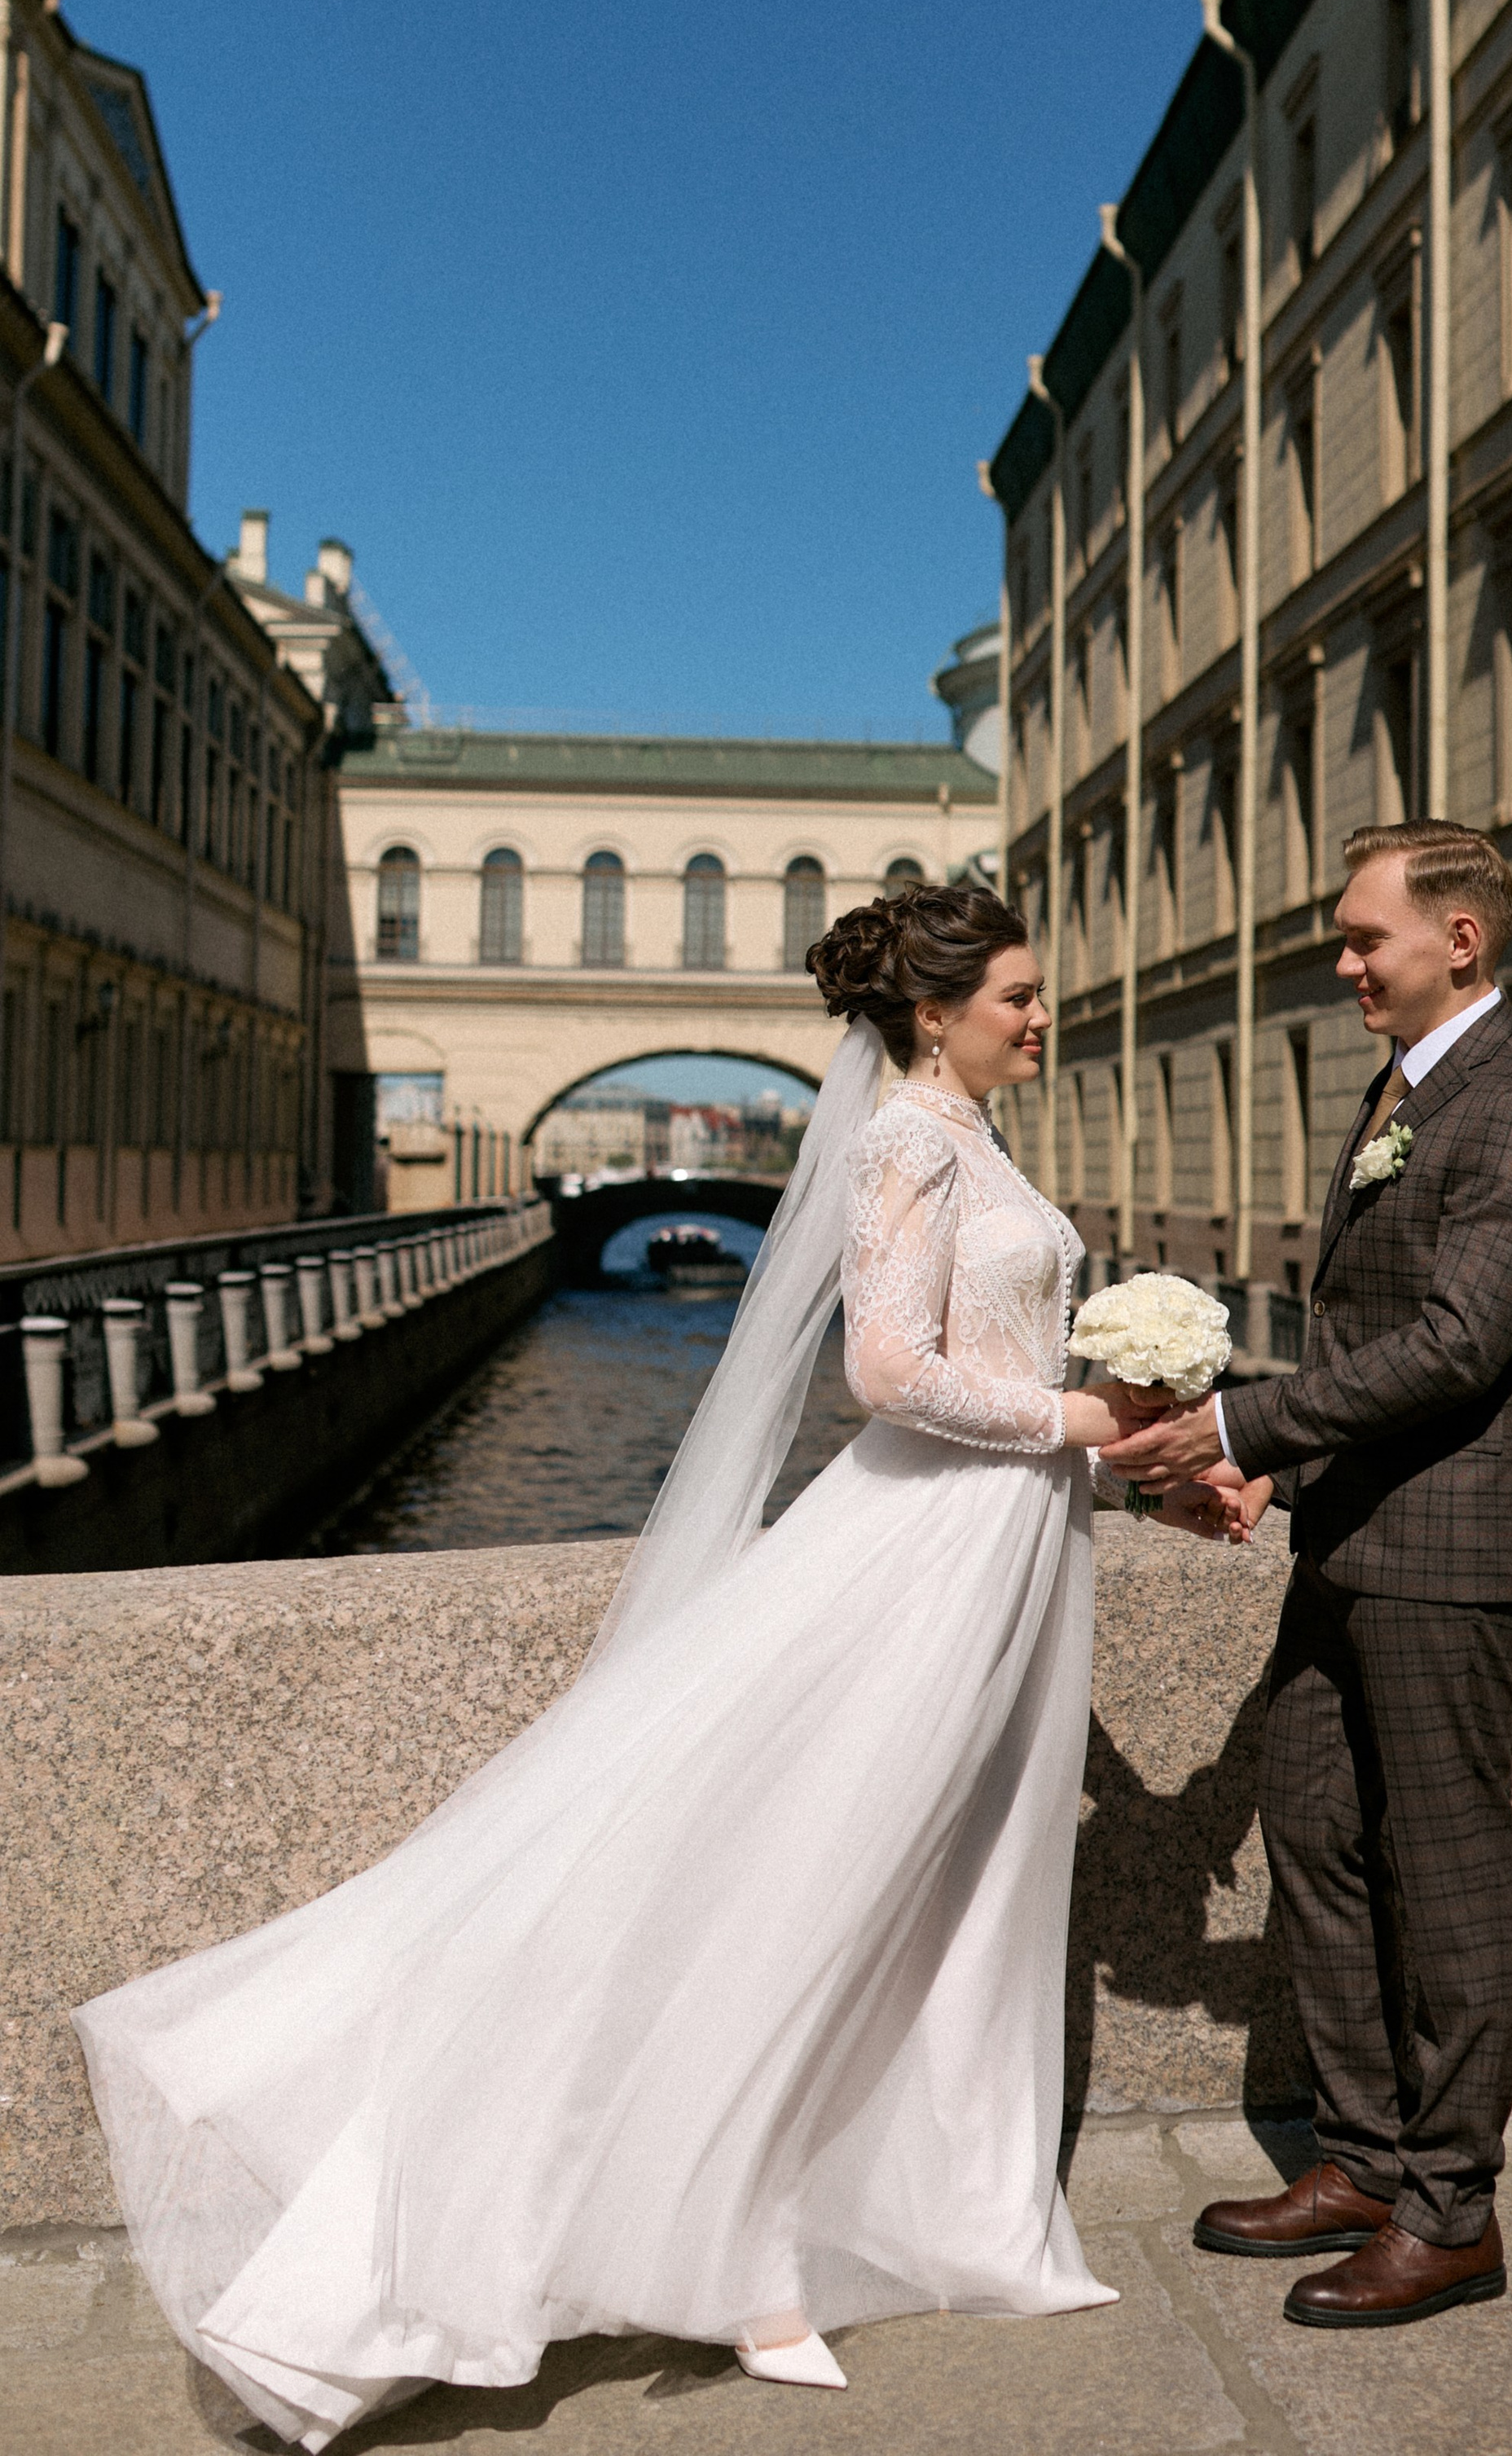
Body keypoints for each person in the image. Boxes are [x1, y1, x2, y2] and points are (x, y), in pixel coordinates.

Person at [73, 882, 1236, 2446]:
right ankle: (740, 2262)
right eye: (1019, 994)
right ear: (933, 1009)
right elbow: (887, 1372)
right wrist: (1090, 1420)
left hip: (1010, 1549)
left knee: (947, 1894)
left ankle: (945, 2210)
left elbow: (998, 1363)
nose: (1042, 1015)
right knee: (811, 1892)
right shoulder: (903, 1137)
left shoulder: (970, 1136)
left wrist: (1144, 1465)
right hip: (918, 1564)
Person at [1110, 819, 1512, 2331]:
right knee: (1317, 1828)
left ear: (1460, 938)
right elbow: (1367, 1337)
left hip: (1451, 1558)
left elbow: (1455, 1347)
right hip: (1353, 1535)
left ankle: (1454, 2210)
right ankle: (1366, 2157)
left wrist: (1240, 1421)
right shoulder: (1405, 1090)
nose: (1342, 962)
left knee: (1445, 1878)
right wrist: (1280, 1467)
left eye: (1361, 937)